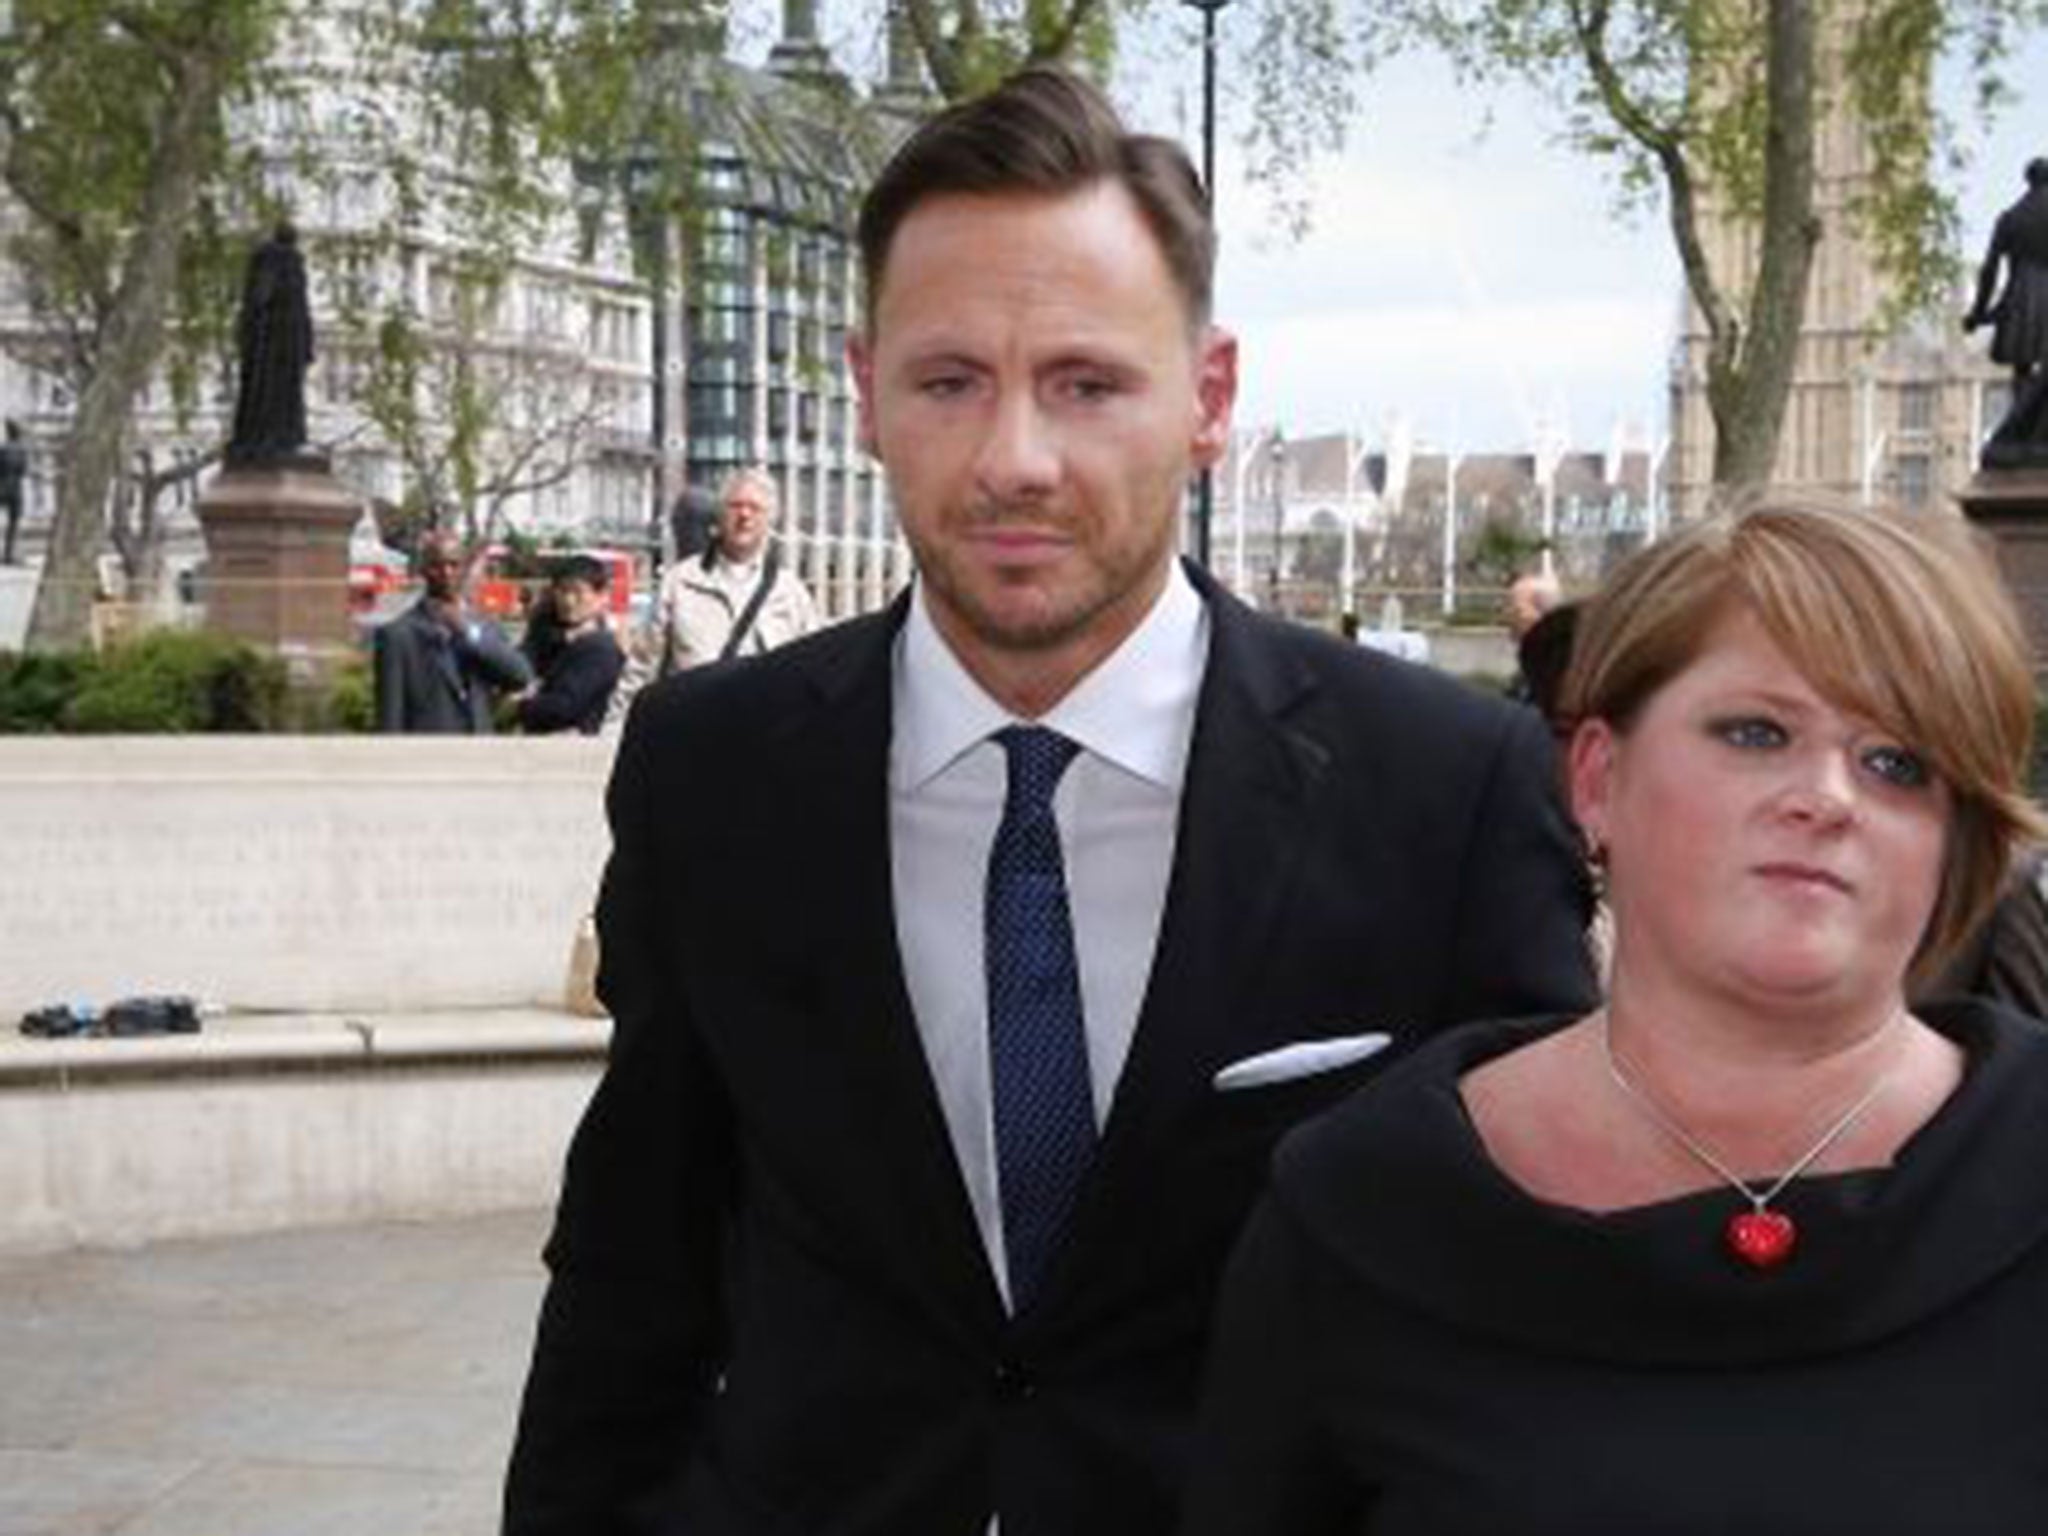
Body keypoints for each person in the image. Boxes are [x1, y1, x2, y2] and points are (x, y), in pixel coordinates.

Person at [502, 66, 1594, 1536]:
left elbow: (1531, 1309)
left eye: (1086, 383)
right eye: (951, 381)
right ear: (866, 392)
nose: (1016, 458)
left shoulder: (1444, 787)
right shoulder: (714, 768)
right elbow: (638, 1259)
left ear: (1209, 401)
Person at [1187, 500, 2048, 1535]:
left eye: (1895, 763)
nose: (1825, 797)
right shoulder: (1359, 1208)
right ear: (1596, 776)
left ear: (1955, 836)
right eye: (1755, 732)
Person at [604, 467, 820, 725]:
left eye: (755, 508)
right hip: (691, 732)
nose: (744, 516)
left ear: (770, 520)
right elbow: (642, 668)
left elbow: (811, 674)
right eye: (735, 506)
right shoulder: (680, 582)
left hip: (765, 736)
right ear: (719, 515)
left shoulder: (790, 592)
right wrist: (615, 728)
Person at [372, 530, 532, 733]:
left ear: (465, 568)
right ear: (423, 570)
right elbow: (390, 719)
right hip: (428, 755)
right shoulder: (397, 634)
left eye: (454, 564)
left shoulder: (483, 627)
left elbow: (520, 676)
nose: (446, 573)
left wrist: (469, 634)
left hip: (479, 752)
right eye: (436, 566)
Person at [226, 222, 316, 466]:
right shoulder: (286, 261)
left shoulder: (268, 261)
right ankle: (280, 437)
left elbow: (259, 298)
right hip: (279, 343)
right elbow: (277, 300)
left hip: (271, 343)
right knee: (279, 392)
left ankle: (273, 436)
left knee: (272, 392)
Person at [516, 555, 625, 736]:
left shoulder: (599, 649)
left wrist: (519, 707)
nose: (568, 601)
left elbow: (564, 706)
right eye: (563, 591)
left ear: (602, 596)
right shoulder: (547, 634)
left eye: (577, 592)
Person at [0, 420, 25, 566]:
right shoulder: (21, 450)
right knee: (13, 523)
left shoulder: (2, 449)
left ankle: (7, 554)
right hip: (15, 488)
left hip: (2, 487)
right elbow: (23, 470)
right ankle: (8, 553)